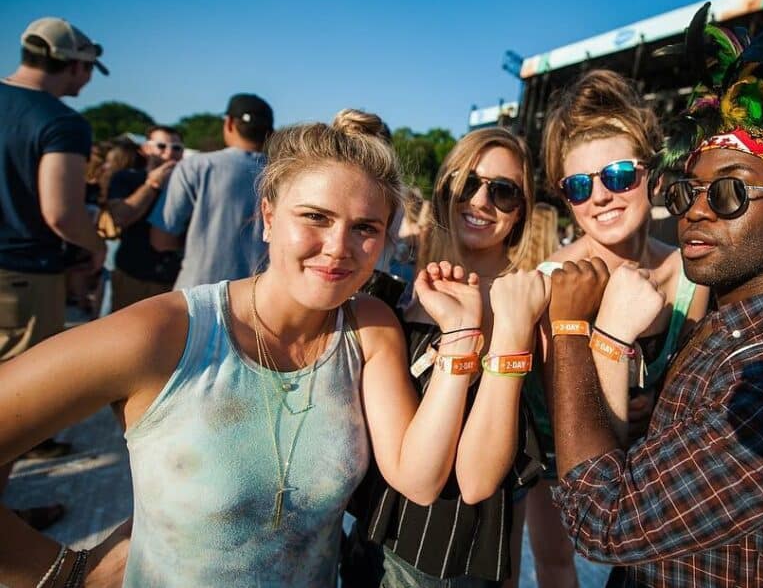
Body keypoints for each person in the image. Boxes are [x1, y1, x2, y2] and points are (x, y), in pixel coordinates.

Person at [0, 112, 501, 587]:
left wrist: (459, 333)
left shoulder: (368, 326)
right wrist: (60, 573)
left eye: (365, 228)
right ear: (268, 216)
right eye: (315, 217)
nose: (337, 247)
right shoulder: (167, 331)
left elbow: (418, 477)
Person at [544, 1, 763, 586]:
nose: (698, 211)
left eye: (729, 192)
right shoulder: (733, 321)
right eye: (688, 191)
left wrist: (575, 331)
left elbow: (604, 522)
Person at [523, 69, 708, 587]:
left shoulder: (690, 274)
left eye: (620, 175)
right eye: (579, 186)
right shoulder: (550, 284)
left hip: (654, 482)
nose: (601, 196)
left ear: (651, 173)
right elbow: (568, 421)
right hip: (562, 471)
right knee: (557, 567)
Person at [344, 127, 549, 588]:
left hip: (445, 566)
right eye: (466, 182)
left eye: (503, 191)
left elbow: (487, 484)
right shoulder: (393, 295)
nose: (480, 200)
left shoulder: (527, 310)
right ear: (444, 188)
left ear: (520, 212)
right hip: (366, 545)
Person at [0, 17, 109, 529]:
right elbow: (61, 212)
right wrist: (94, 248)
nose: (86, 82)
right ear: (71, 63)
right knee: (9, 412)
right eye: (87, 69)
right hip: (19, 280)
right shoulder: (59, 121)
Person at [149, 93, 273, 289]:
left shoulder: (196, 167)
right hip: (260, 299)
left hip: (197, 296)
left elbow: (161, 239)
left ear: (229, 123)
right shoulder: (286, 176)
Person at [106, 126, 182, 310]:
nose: (169, 153)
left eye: (177, 148)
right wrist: (151, 185)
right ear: (145, 149)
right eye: (161, 146)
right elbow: (120, 217)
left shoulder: (188, 184)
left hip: (173, 279)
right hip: (133, 273)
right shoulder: (126, 178)